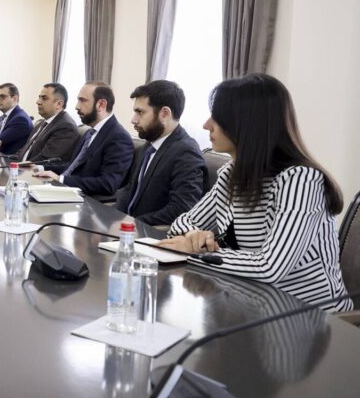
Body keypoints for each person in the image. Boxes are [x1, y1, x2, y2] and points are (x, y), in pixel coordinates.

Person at [159, 74, 352, 311]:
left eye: (218, 118)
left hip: (310, 316)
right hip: (250, 302)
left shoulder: (301, 180)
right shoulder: (230, 174)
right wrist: (195, 237)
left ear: (248, 124)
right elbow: (181, 225)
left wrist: (197, 253)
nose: (206, 125)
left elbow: (270, 267)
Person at [115, 80, 206, 226]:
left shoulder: (186, 152)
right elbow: (130, 189)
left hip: (149, 234)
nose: (133, 120)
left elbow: (181, 209)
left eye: (140, 112)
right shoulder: (150, 144)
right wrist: (113, 218)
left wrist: (131, 225)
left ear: (164, 114)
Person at [34, 81, 133, 198]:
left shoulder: (119, 137)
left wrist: (61, 179)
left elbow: (108, 184)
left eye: (83, 100)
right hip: (65, 193)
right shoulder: (90, 132)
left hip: (84, 201)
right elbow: (73, 167)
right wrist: (41, 168)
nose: (77, 106)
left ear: (101, 104)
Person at [15, 83, 81, 164]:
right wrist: (8, 161)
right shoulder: (42, 123)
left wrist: (16, 166)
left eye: (44, 98)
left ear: (59, 104)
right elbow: (23, 151)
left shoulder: (66, 127)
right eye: (39, 97)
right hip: (21, 168)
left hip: (35, 170)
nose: (38, 102)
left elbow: (44, 159)